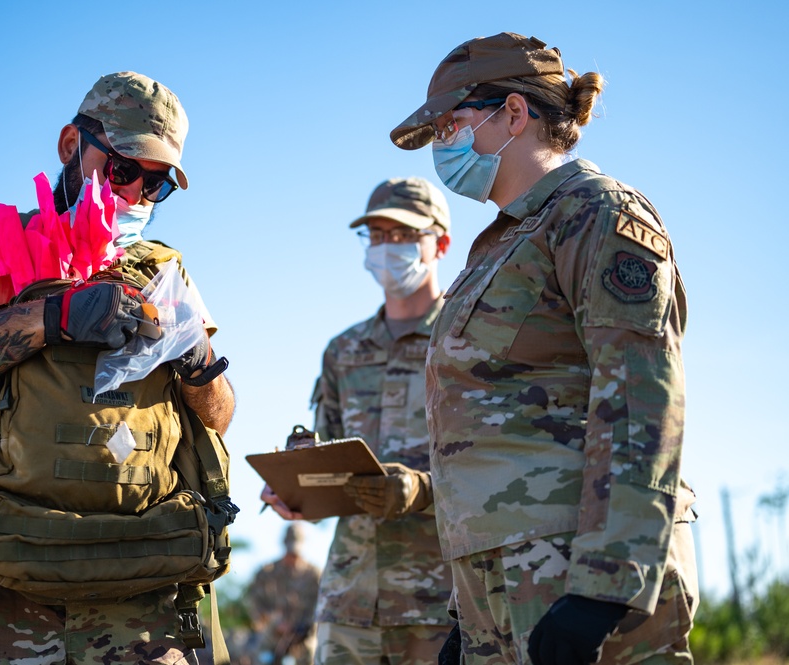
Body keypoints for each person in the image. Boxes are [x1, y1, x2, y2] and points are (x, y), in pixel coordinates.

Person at [0, 71, 235, 664]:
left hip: (145, 599)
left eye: (157, 185)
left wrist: (195, 357)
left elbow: (222, 415)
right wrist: (51, 319)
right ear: (69, 147)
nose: (134, 196)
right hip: (0, 600)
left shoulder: (163, 273)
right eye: (123, 170)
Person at [389, 32, 699, 664]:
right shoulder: (501, 244)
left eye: (452, 123)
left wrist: (603, 590)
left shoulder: (595, 213)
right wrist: (466, 615)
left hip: (579, 576)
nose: (444, 144)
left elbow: (641, 399)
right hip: (504, 583)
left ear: (513, 113)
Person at [261, 177, 457, 665]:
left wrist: (421, 489)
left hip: (443, 604)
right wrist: (296, 487)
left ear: (442, 243)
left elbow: (502, 463)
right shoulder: (343, 351)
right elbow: (328, 462)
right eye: (377, 236)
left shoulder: (469, 338)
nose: (387, 248)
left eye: (403, 234)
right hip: (349, 604)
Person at [245, 524, 322, 665]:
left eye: (295, 553)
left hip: (304, 639)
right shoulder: (266, 573)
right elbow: (254, 603)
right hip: (272, 637)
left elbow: (321, 607)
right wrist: (275, 623)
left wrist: (302, 628)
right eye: (290, 552)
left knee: (314, 655)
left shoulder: (314, 575)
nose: (292, 557)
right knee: (257, 654)